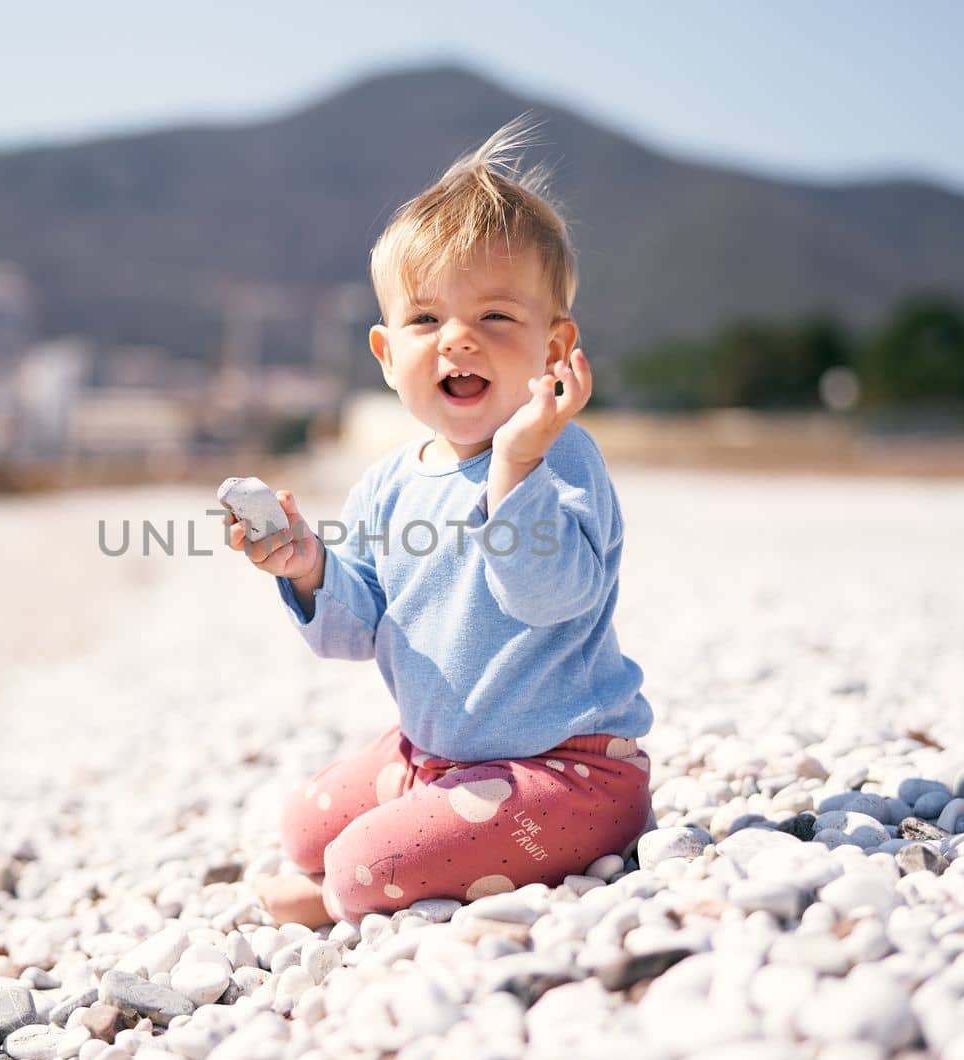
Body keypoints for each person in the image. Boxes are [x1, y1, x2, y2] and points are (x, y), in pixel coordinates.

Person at [223, 114, 654, 927]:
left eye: (495, 317)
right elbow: (357, 628)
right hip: (441, 755)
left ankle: (341, 893)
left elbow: (548, 596)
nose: (459, 339)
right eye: (426, 321)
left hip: (568, 771)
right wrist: (309, 567)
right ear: (388, 356)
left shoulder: (561, 458)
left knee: (355, 868)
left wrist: (516, 464)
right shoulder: (390, 481)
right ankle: (411, 825)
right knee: (304, 823)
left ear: (554, 347)